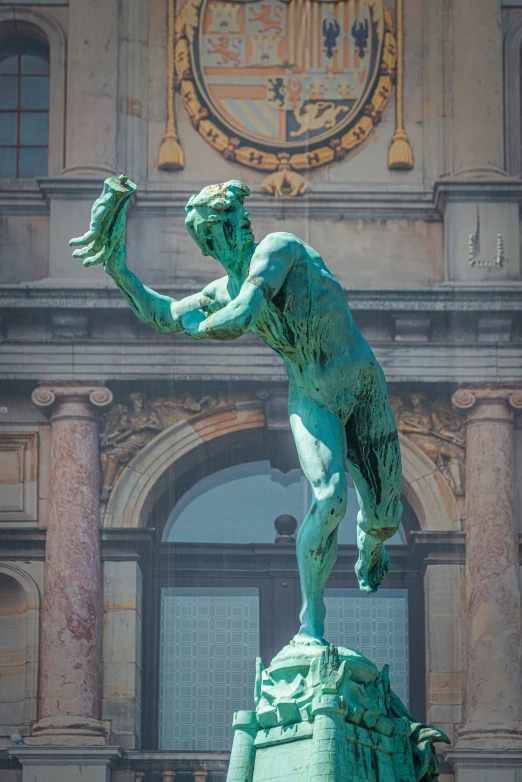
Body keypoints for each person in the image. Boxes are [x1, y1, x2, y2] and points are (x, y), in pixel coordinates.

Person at [70, 178, 403, 644]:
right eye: (226, 223)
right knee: (328, 497)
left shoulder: (278, 249)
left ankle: (373, 535)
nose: (241, 227)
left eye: (240, 219)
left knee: (387, 516)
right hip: (311, 396)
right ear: (208, 240)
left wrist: (200, 328)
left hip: (362, 387)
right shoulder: (221, 291)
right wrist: (117, 268)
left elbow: (244, 313)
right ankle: (313, 620)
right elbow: (164, 315)